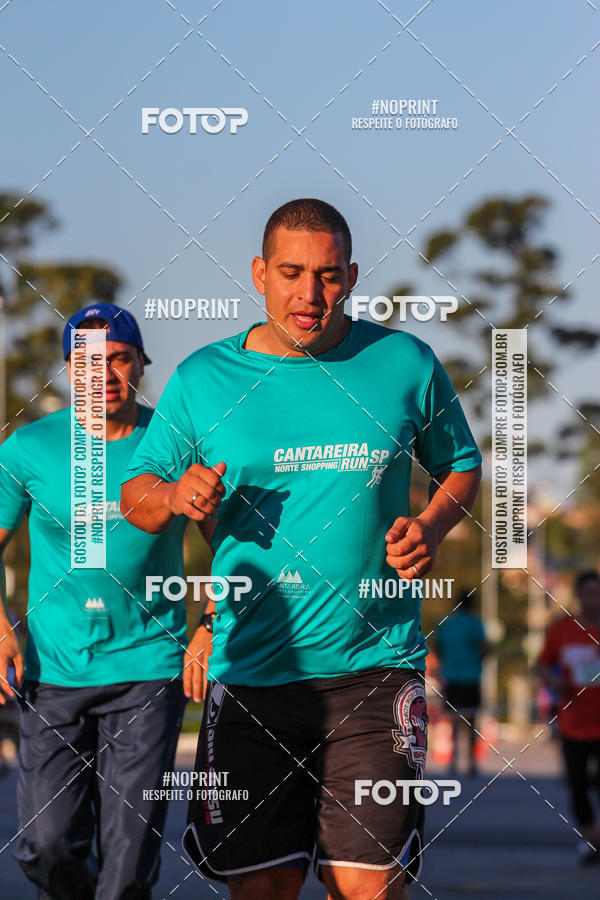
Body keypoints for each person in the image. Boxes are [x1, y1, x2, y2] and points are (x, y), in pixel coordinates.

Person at [121, 198, 482, 900]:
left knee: (368, 890)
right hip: (252, 677)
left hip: (375, 672)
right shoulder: (203, 379)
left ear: (349, 276)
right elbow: (136, 496)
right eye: (291, 272)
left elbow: (461, 465)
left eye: (326, 275)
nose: (308, 294)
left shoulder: (405, 362)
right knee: (265, 891)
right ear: (260, 273)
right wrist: (172, 497)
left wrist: (431, 527)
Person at [0, 302, 190, 899]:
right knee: (47, 845)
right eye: (87, 362)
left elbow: (235, 545)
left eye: (118, 359)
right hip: (54, 671)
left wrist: (213, 623)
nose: (103, 373)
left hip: (147, 668)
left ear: (140, 365)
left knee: (128, 864)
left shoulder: (173, 444)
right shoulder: (27, 450)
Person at [537, 569, 600, 865]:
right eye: (589, 593)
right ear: (578, 596)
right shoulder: (562, 629)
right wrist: (553, 683)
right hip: (573, 723)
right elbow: (541, 665)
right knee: (577, 785)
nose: (594, 600)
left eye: (598, 594)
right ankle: (591, 839)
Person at [434, 590, 488, 775]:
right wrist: (478, 661)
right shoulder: (475, 623)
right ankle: (472, 762)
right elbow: (484, 647)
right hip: (471, 676)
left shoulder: (447, 624)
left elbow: (438, 647)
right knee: (472, 719)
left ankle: (454, 760)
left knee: (453, 720)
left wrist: (446, 664)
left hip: (450, 676)